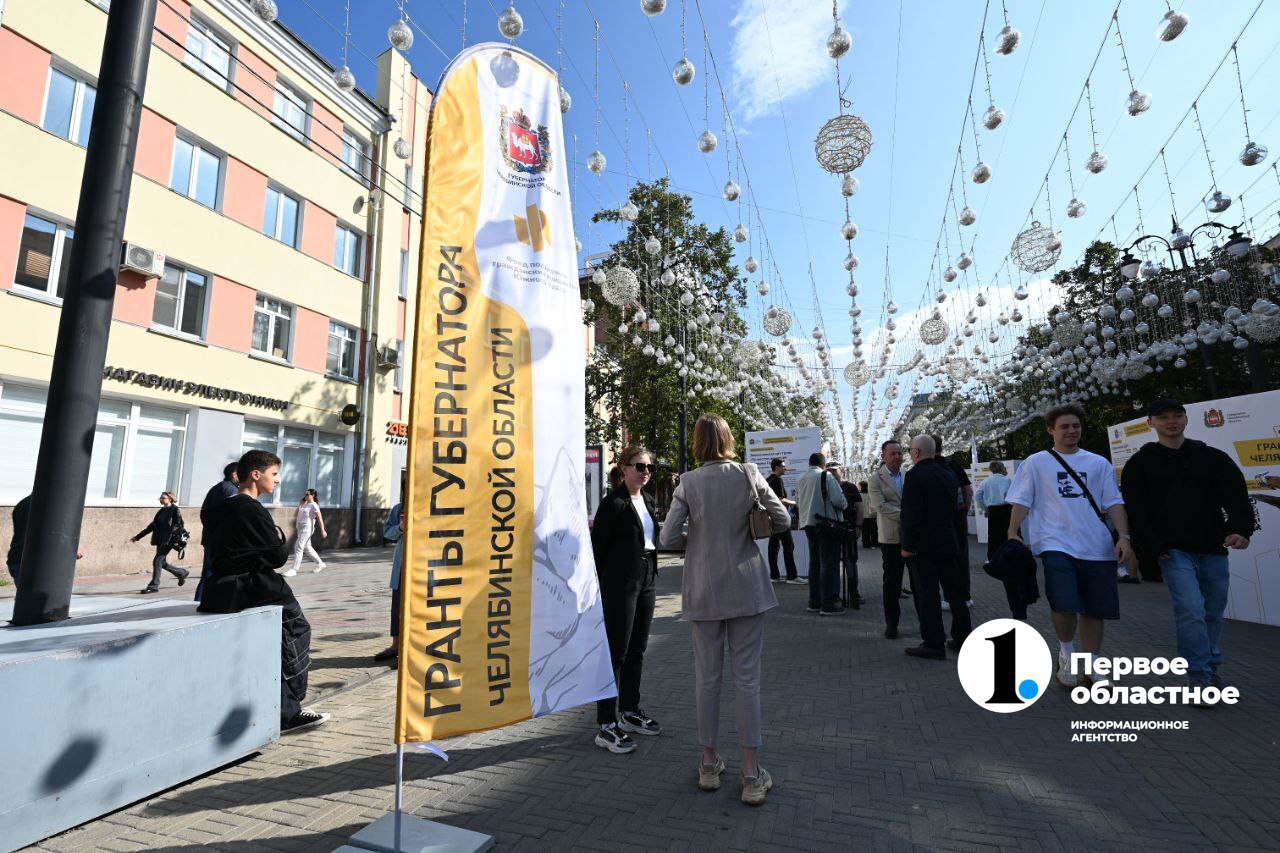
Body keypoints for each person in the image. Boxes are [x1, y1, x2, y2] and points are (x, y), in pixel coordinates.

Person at [660, 414, 789, 806]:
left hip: (703, 589)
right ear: (729, 439)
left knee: (707, 679)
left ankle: (708, 763)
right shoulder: (749, 473)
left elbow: (667, 537)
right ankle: (751, 774)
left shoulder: (688, 482)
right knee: (747, 680)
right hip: (747, 586)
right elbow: (782, 520)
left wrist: (699, 537)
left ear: (698, 443)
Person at [1120, 398, 1253, 689]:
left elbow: (1237, 496)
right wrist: (1153, 547)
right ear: (1150, 423)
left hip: (1213, 547)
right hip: (1173, 550)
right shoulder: (1139, 464)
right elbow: (1137, 510)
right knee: (1190, 609)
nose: (1172, 421)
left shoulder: (1212, 458)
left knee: (1212, 612)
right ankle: (1199, 676)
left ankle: (1211, 664)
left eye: (1177, 415)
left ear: (1185, 419)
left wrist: (1241, 529)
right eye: (1164, 417)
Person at [199, 450, 328, 734]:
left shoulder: (214, 510)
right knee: (294, 637)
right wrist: (276, 540)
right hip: (262, 590)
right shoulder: (252, 508)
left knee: (261, 650)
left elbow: (210, 546)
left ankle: (276, 708)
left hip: (221, 590)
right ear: (255, 475)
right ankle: (290, 712)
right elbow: (277, 556)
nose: (278, 481)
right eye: (274, 474)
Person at [1006, 403, 1134, 688]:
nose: (1071, 431)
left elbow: (1113, 502)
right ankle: (1066, 653)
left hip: (1096, 545)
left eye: (1075, 425)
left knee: (1093, 609)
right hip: (1055, 543)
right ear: (1051, 430)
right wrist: (1013, 530)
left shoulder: (1098, 463)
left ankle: (1092, 664)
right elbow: (1022, 499)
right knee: (1064, 603)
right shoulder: (1036, 462)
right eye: (1064, 426)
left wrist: (1124, 537)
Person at [590, 445, 663, 755]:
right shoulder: (613, 504)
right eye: (639, 466)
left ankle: (630, 710)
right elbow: (598, 549)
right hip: (620, 582)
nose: (645, 471)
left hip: (646, 578)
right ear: (623, 469)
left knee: (638, 648)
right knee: (615, 653)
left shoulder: (646, 500)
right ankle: (606, 724)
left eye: (649, 467)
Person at [900, 436, 970, 659]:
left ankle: (933, 643)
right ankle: (962, 638)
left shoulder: (914, 475)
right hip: (949, 542)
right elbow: (958, 505)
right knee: (955, 594)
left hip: (924, 546)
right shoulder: (948, 474)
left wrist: (908, 546)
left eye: (910, 450)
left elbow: (911, 514)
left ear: (917, 452)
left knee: (928, 594)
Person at [795, 452, 848, 615]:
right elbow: (839, 501)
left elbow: (798, 503)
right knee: (829, 564)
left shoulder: (801, 479)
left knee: (815, 563)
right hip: (827, 525)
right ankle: (828, 604)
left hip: (808, 525)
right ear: (823, 464)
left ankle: (814, 602)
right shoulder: (826, 477)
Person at [867, 440, 906, 638]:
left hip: (912, 536)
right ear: (883, 456)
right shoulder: (876, 478)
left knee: (918, 582)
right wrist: (909, 515)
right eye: (893, 453)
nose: (897, 456)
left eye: (900, 453)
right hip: (890, 537)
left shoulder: (909, 474)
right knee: (892, 582)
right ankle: (892, 623)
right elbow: (880, 506)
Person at [931, 435, 974, 609]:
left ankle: (949, 598)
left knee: (942, 560)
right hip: (958, 519)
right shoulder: (953, 464)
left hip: (937, 522)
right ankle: (965, 596)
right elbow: (968, 490)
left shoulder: (925, 467)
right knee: (961, 557)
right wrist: (963, 510)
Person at [7, 494, 84, 587]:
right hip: (35, 563)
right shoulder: (47, 505)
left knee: (26, 599)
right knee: (39, 599)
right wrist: (71, 549)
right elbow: (51, 532)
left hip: (17, 559)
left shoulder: (21, 504)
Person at [196, 463, 238, 602]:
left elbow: (204, 513)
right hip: (221, 540)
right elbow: (232, 516)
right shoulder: (231, 490)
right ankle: (205, 602)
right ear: (234, 474)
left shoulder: (216, 488)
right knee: (214, 574)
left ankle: (199, 601)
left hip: (210, 538)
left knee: (207, 574)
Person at [130, 492, 189, 593]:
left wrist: (168, 539)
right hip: (161, 540)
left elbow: (176, 526)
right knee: (162, 563)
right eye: (160, 498)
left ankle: (154, 586)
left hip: (169, 541)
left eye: (163, 498)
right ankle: (181, 573)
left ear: (170, 499)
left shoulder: (174, 510)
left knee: (157, 561)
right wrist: (137, 537)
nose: (160, 499)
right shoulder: (161, 511)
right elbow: (152, 527)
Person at [829, 464, 865, 608]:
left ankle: (853, 593)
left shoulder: (851, 487)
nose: (831, 474)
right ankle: (835, 595)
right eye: (829, 471)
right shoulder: (825, 486)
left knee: (851, 562)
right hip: (832, 530)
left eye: (834, 471)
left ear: (841, 472)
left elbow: (860, 507)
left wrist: (858, 526)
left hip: (849, 529)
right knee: (833, 563)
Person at [374, 498, 404, 665]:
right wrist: (400, 527)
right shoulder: (398, 508)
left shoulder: (434, 506)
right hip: (402, 568)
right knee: (397, 607)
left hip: (425, 567)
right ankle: (396, 646)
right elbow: (387, 533)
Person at [764, 458, 800, 584]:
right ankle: (792, 577)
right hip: (779, 518)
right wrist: (795, 503)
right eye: (783, 466)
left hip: (771, 518)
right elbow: (780, 499)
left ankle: (774, 576)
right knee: (788, 546)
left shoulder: (768, 480)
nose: (785, 468)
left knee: (773, 547)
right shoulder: (777, 480)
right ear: (777, 467)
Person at [286, 489, 327, 577]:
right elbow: (296, 515)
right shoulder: (305, 503)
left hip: (307, 528)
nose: (305, 495)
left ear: (313, 495)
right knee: (307, 547)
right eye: (305, 494)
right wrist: (300, 504)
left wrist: (323, 530)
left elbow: (319, 518)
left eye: (307, 494)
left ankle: (294, 569)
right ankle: (320, 563)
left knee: (298, 547)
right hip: (300, 528)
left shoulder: (314, 505)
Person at [859, 481, 878, 549]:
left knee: (865, 530)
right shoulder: (871, 494)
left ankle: (866, 543)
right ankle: (874, 543)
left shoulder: (859, 495)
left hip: (863, 515)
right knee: (873, 530)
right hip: (872, 515)